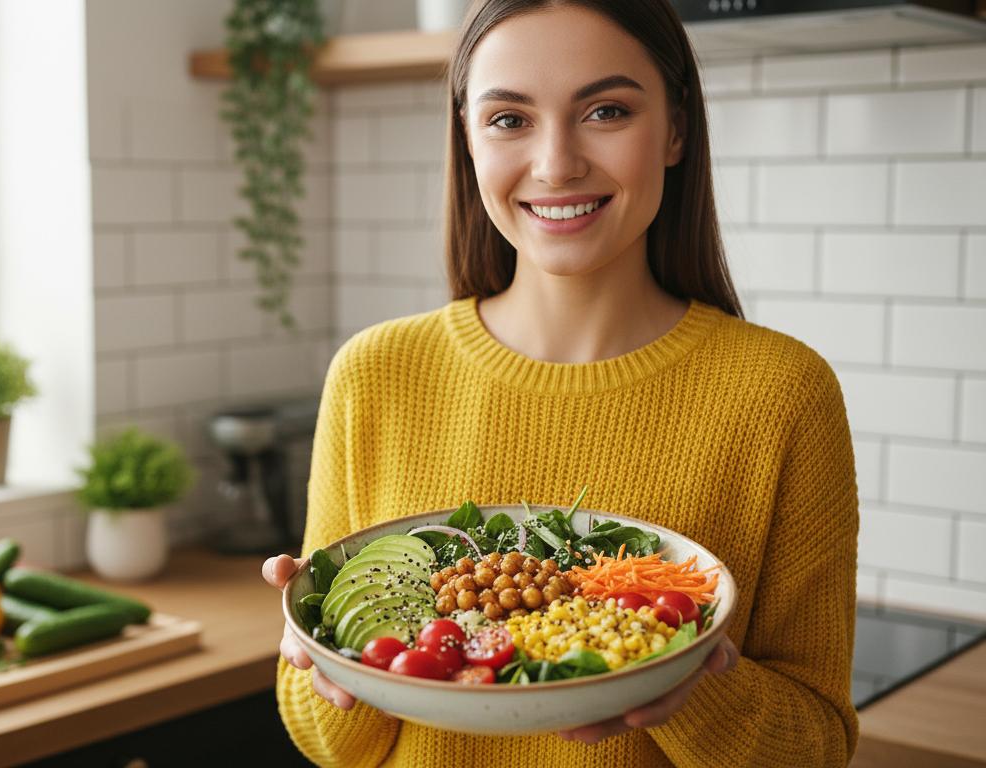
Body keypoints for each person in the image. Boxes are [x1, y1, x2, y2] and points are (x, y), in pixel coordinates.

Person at [262, 0, 859, 766]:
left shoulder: (782, 392)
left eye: (606, 110)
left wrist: (681, 677)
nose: (555, 164)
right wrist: (316, 648)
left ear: (675, 129)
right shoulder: (375, 375)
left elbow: (816, 745)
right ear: (468, 140)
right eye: (509, 119)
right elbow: (333, 745)